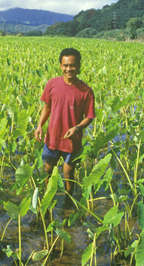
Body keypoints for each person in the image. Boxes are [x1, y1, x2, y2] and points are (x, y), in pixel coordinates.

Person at [34, 48, 95, 202]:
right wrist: (40, 126)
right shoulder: (52, 84)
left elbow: (89, 117)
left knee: (69, 174)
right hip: (52, 138)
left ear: (79, 66)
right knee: (47, 170)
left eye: (72, 65)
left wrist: (77, 128)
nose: (69, 69)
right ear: (61, 65)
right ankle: (48, 199)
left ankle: (68, 202)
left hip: (72, 141)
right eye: (66, 65)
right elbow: (47, 107)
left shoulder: (86, 91)